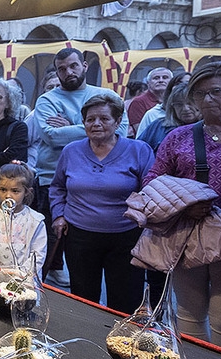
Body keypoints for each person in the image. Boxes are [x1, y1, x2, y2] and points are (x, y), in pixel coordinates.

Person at [144, 61, 221, 353]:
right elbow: (153, 180)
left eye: (216, 92)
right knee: (187, 315)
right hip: (187, 234)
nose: (207, 100)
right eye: (199, 94)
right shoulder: (179, 137)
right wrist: (182, 206)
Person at [49, 94, 154, 313]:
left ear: (117, 122)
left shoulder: (139, 150)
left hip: (126, 237)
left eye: (104, 119)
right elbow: (58, 187)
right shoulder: (71, 151)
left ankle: (122, 342)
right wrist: (59, 214)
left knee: (126, 300)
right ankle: (87, 342)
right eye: (90, 119)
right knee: (83, 298)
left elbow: (151, 191)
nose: (96, 124)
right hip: (80, 236)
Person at [33, 48, 128, 286]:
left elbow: (122, 132)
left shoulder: (106, 95)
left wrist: (71, 125)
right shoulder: (47, 99)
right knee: (51, 241)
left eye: (73, 66)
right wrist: (92, 128)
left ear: (85, 66)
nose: (68, 72)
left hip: (104, 179)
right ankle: (44, 284)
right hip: (53, 178)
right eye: (62, 69)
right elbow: (50, 136)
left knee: (87, 249)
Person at [0, 162, 47, 274]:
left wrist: (21, 274)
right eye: (3, 190)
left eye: (15, 191)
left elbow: (38, 255)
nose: (8, 195)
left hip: (23, 281)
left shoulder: (35, 221)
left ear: (26, 192)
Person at [137, 81, 201, 152]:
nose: (185, 108)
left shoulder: (209, 128)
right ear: (172, 107)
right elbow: (138, 151)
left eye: (190, 103)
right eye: (179, 104)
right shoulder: (158, 126)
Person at [24, 70, 60, 166]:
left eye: (58, 86)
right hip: (36, 170)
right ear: (44, 92)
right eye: (50, 87)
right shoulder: (35, 115)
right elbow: (22, 143)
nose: (54, 90)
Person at [128, 67, 173, 136]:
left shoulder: (175, 101)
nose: (161, 80)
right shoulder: (138, 102)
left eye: (165, 77)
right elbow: (142, 132)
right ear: (148, 83)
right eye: (156, 78)